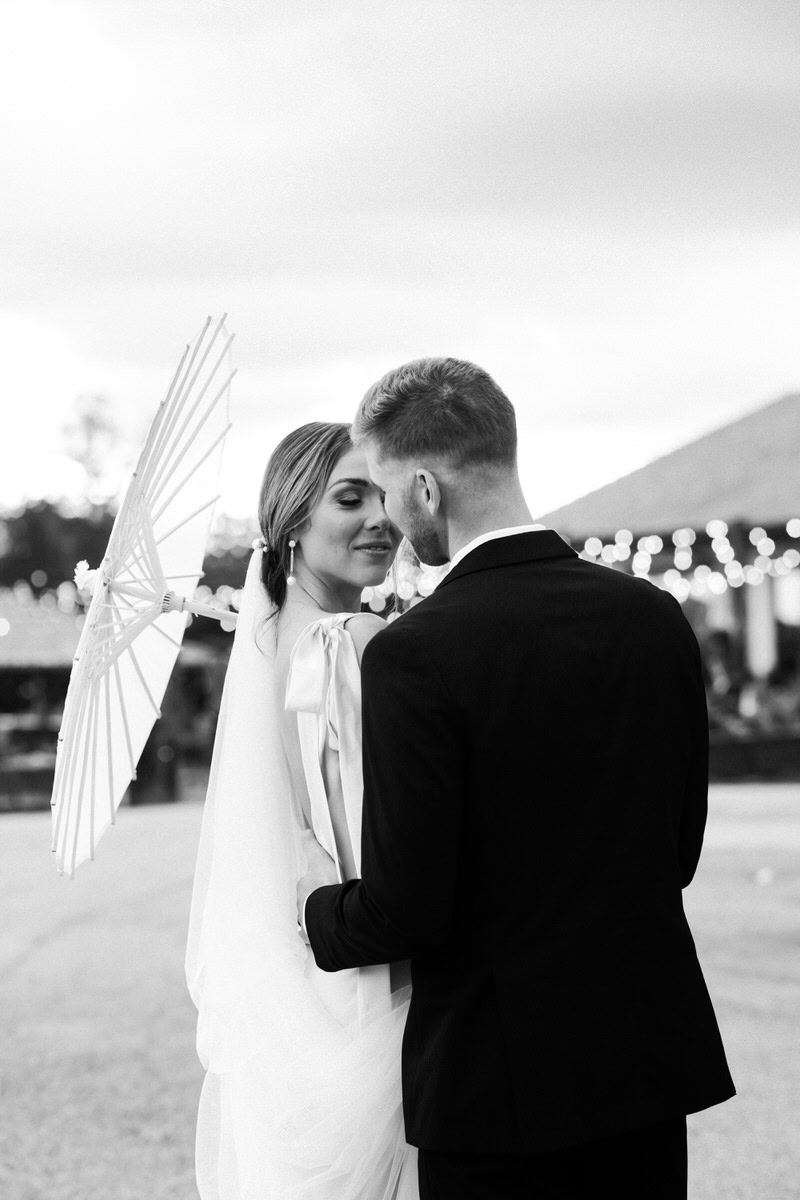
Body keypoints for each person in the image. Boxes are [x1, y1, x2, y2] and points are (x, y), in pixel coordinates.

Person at [298, 358, 736, 1200]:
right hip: (643, 1064)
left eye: (386, 493)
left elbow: (409, 907)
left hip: (498, 1088)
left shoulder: (416, 653)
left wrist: (313, 911)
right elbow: (676, 850)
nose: (388, 516)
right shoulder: (652, 617)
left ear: (424, 488)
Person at [186, 421, 419, 1199]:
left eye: (385, 496)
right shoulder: (351, 642)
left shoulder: (268, 639)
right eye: (350, 498)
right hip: (370, 969)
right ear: (291, 525)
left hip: (297, 977)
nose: (380, 519)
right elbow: (370, 831)